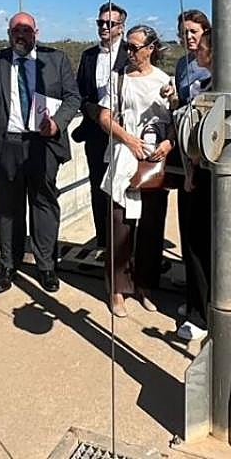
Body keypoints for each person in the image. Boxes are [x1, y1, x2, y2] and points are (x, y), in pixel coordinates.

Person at [0, 12, 81, 295]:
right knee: (8, 208)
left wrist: (57, 124)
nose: (20, 35)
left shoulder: (56, 60)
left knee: (44, 205)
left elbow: (73, 98)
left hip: (44, 145)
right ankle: (8, 265)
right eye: (15, 30)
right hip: (6, 145)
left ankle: (46, 267)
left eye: (26, 30)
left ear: (36, 32)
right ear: (8, 34)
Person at [98, 24, 172, 317]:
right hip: (124, 158)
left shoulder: (165, 80)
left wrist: (167, 145)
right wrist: (128, 139)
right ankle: (117, 289)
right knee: (120, 227)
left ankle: (145, 286)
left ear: (150, 49)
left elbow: (174, 121)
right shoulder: (118, 81)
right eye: (127, 47)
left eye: (135, 47)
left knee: (151, 227)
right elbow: (105, 117)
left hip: (153, 162)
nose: (129, 52)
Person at [73, 3, 129, 252]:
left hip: (126, 134)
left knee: (124, 188)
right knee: (98, 187)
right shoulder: (88, 56)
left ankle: (126, 244)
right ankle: (104, 242)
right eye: (100, 23)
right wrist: (93, 112)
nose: (104, 28)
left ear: (121, 27)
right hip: (96, 133)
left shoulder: (131, 53)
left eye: (110, 23)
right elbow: (79, 94)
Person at [169, 29, 213, 341]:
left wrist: (193, 170)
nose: (196, 52)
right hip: (194, 170)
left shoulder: (219, 90)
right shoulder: (206, 86)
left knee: (202, 243)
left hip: (206, 176)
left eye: (203, 48)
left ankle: (203, 314)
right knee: (193, 242)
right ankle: (198, 301)